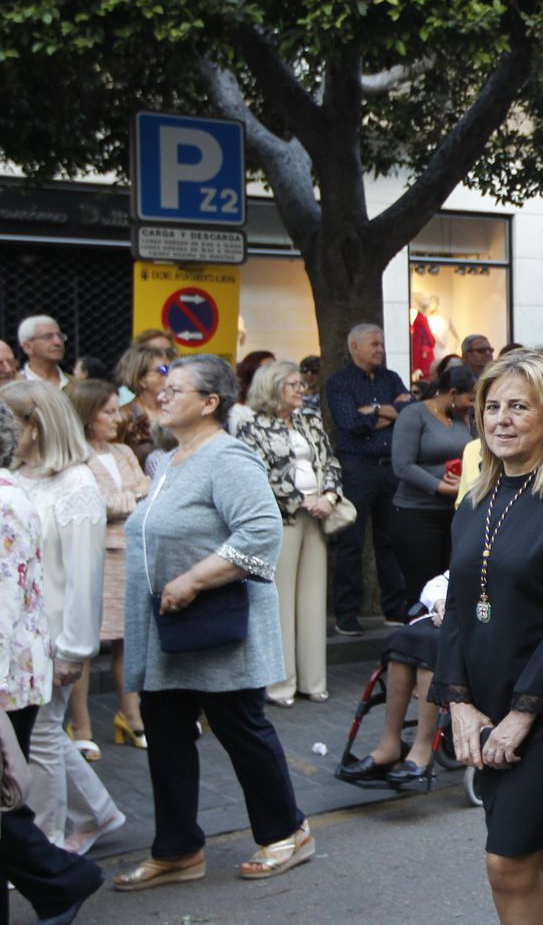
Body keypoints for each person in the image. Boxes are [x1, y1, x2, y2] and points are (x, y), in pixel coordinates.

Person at [429, 352, 543, 925]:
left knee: (507, 863)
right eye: (492, 406)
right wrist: (459, 703)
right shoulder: (476, 499)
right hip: (488, 693)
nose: (502, 419)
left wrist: (522, 715)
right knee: (536, 850)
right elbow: (460, 607)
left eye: (519, 406)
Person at [114, 354, 312, 891]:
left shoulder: (227, 458)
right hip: (169, 632)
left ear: (209, 403)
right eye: (162, 387)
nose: (162, 396)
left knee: (241, 729)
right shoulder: (172, 459)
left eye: (175, 389)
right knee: (168, 734)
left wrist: (194, 580)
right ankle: (178, 850)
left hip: (215, 623)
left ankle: (288, 832)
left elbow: (260, 533)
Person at [0, 381, 122, 853]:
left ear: (35, 424)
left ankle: (47, 837)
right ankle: (98, 813)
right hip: (21, 631)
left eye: (11, 421)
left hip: (52, 638)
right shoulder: (17, 476)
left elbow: (84, 575)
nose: (6, 431)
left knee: (42, 737)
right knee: (43, 731)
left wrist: (75, 648)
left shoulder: (75, 483)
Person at [234, 361, 345, 708]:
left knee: (313, 600)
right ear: (272, 387)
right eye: (293, 384)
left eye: (301, 384)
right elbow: (255, 473)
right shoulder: (251, 426)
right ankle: (280, 685)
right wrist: (300, 500)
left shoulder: (309, 420)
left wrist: (328, 497)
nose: (302, 389)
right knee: (279, 601)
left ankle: (313, 682)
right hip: (280, 518)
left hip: (318, 515)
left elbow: (329, 461)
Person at [65, 379, 151, 764]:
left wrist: (125, 500)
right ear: (87, 415)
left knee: (127, 640)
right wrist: (131, 498)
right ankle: (81, 727)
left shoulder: (122, 452)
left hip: (130, 552)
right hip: (92, 555)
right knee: (84, 644)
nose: (119, 418)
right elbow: (94, 505)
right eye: (109, 411)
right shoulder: (72, 456)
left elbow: (150, 487)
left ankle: (131, 715)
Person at [325, 323, 414, 634]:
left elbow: (410, 410)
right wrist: (390, 412)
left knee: (391, 541)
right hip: (357, 467)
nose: (380, 349)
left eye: (382, 344)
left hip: (390, 467)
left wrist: (374, 410)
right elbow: (350, 423)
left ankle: (395, 609)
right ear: (355, 348)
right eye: (374, 344)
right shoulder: (340, 382)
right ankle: (347, 614)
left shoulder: (391, 378)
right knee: (351, 540)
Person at [339, 572, 449, 787]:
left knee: (430, 651)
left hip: (479, 626)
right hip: (448, 620)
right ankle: (389, 745)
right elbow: (437, 583)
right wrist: (441, 602)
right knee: (402, 641)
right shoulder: (475, 546)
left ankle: (423, 748)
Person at [390, 366, 477, 603]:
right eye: (469, 398)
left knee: (449, 583)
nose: (473, 404)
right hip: (417, 513)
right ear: (451, 393)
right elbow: (402, 466)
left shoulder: (462, 419)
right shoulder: (414, 414)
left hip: (453, 512)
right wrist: (441, 487)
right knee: (422, 585)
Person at [116, 341, 176, 467]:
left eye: (170, 369)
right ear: (142, 380)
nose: (168, 376)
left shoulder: (177, 408)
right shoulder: (124, 415)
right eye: (162, 370)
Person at [17, 315, 69, 388]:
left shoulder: (76, 386)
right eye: (48, 337)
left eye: (60, 336)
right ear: (27, 347)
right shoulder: (14, 387)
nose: (58, 342)